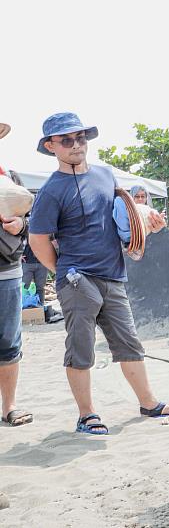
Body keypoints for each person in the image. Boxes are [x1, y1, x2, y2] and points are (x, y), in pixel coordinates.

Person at [27, 112, 169, 435]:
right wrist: (63, 271)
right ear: (51, 146)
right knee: (81, 348)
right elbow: (37, 240)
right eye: (67, 140)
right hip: (77, 278)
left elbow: (125, 220)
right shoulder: (50, 191)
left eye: (81, 137)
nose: (77, 145)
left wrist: (149, 223)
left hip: (113, 275)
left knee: (129, 344)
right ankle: (86, 414)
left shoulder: (105, 175)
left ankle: (149, 403)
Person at [1, 140, 35, 426]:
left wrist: (21, 226)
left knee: (8, 341)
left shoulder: (11, 180)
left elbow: (33, 220)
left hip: (7, 272)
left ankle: (9, 405)